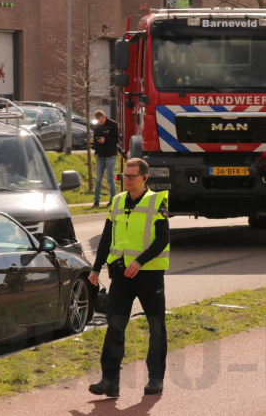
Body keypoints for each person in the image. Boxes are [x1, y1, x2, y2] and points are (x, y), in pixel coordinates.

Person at [88, 158, 169, 398]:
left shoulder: (157, 201)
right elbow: (105, 238)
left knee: (155, 326)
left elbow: (162, 238)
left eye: (132, 176)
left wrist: (140, 261)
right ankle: (109, 380)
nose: (127, 180)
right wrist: (95, 268)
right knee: (114, 325)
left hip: (149, 274)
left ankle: (155, 378)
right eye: (124, 176)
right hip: (121, 275)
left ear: (145, 178)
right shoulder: (117, 201)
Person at [92, 110, 119, 208]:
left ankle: (113, 200)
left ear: (104, 117)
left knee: (109, 178)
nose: (100, 123)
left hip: (110, 155)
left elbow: (116, 139)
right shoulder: (97, 126)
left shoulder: (113, 124)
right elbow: (95, 140)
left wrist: (105, 140)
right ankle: (96, 201)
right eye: (98, 122)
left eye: (101, 121)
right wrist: (96, 152)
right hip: (100, 156)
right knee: (98, 179)